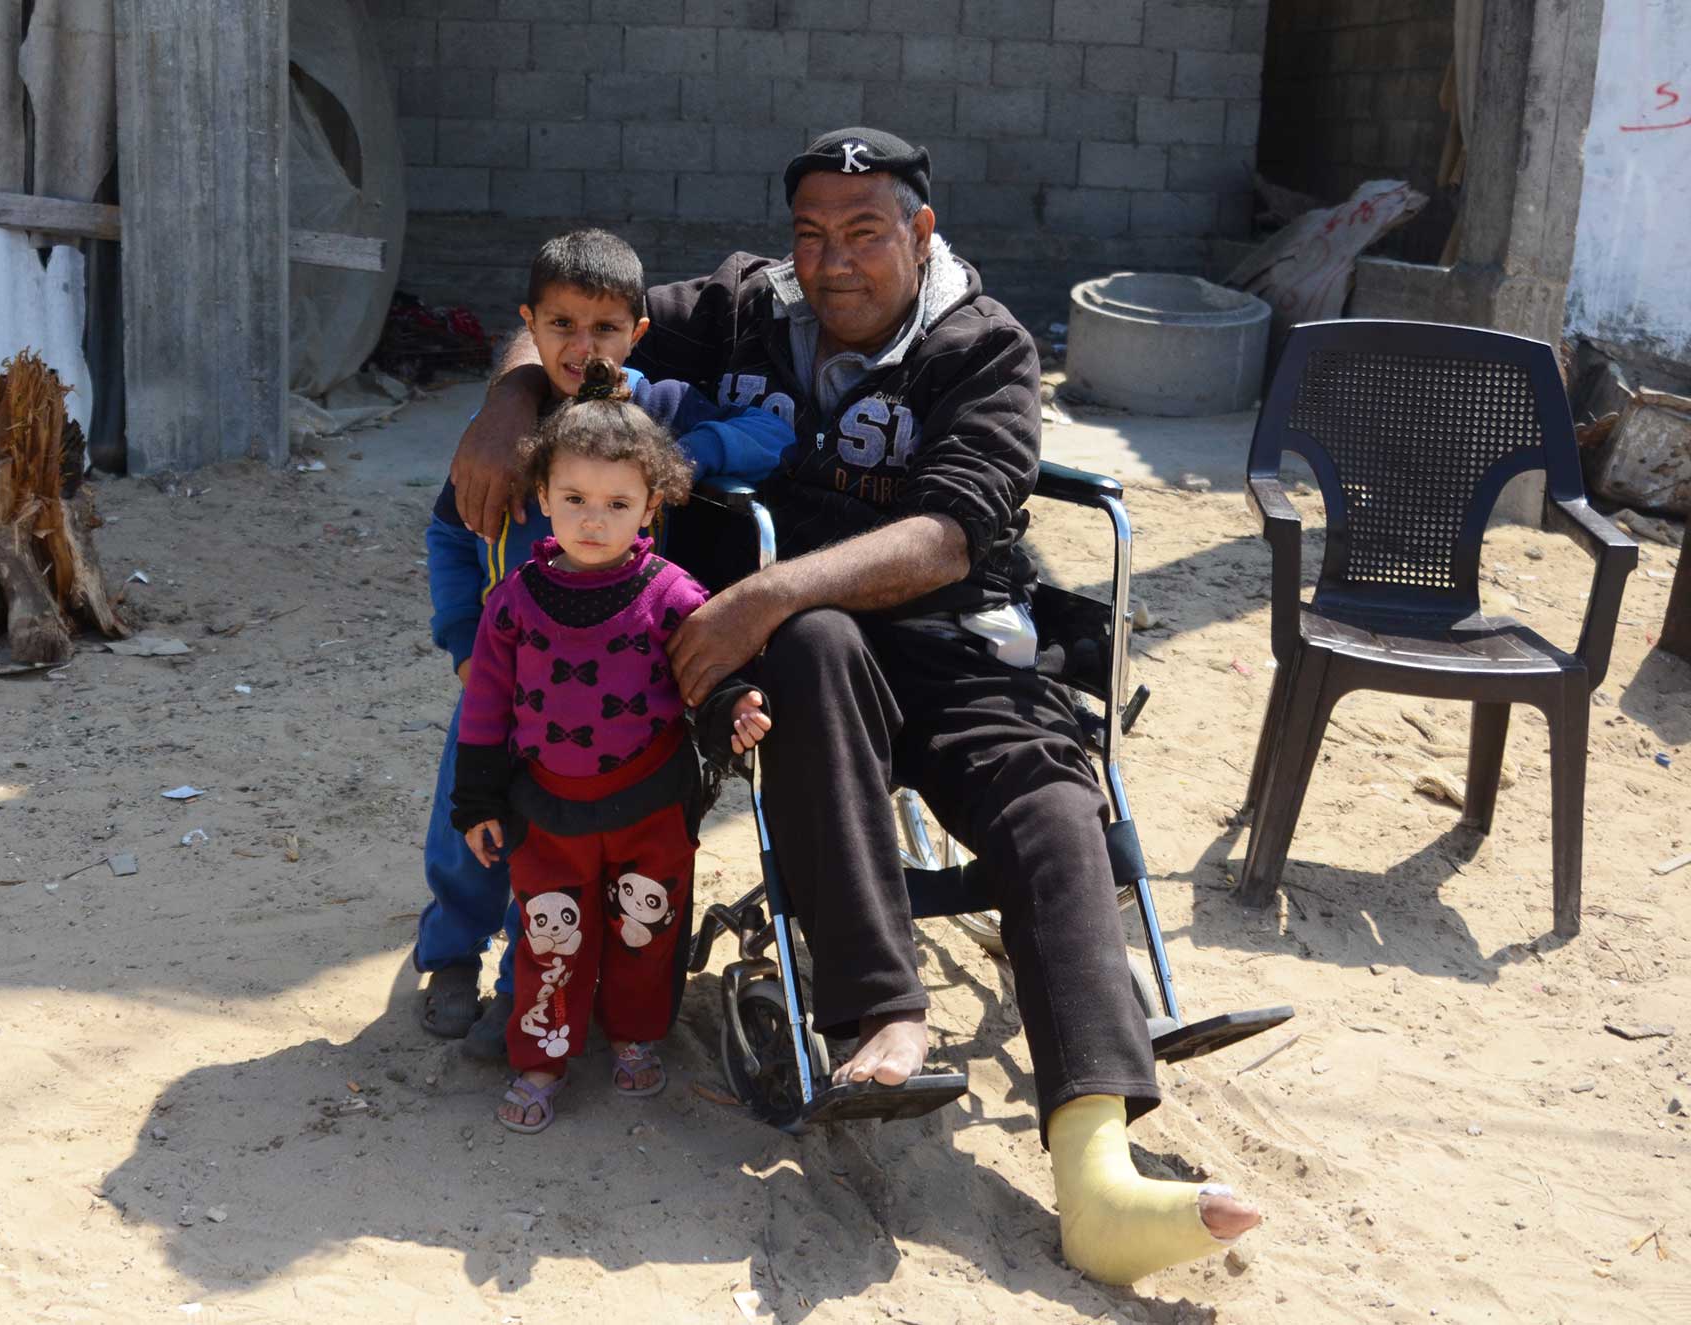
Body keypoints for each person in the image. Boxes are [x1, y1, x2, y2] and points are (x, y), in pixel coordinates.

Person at [445, 128, 1261, 1282]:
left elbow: (947, 531)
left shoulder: (983, 346)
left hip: (953, 636)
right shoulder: (736, 306)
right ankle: (881, 1015)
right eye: (810, 235)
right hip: (805, 658)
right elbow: (574, 319)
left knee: (1048, 802)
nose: (831, 263)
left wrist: (761, 590)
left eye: (863, 233)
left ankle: (1098, 1176)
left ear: (919, 233)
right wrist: (508, 403)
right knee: (816, 642)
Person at [419, 229, 790, 1056]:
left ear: (637, 333)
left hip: (619, 692)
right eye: (560, 326)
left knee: (554, 846)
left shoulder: (657, 407)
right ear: (530, 324)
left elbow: (772, 439)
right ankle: (449, 957)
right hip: (504, 680)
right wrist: (463, 641)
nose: (581, 348)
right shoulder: (502, 442)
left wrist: (665, 455)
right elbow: (449, 536)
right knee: (467, 821)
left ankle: (525, 993)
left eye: (605, 329)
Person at [452, 358, 773, 1133]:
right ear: (543, 498)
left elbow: (710, 673)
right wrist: (476, 798)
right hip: (548, 813)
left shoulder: (674, 596)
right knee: (548, 938)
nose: (593, 519)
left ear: (652, 506)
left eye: (616, 502)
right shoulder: (512, 603)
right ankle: (541, 1057)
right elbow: (486, 705)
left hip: (651, 809)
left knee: (645, 936)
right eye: (574, 499)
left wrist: (735, 708)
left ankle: (633, 1036)